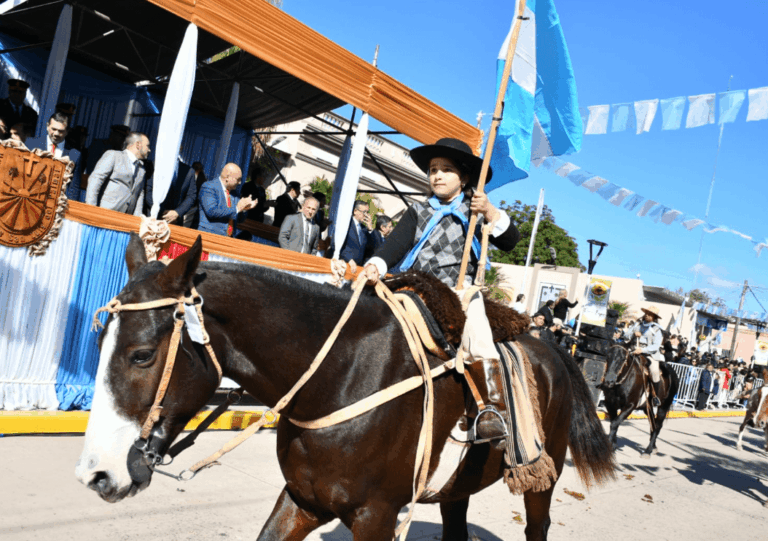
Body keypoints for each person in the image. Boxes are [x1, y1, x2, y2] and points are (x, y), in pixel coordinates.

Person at [363, 137, 520, 443]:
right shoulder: (418, 210)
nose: (437, 175)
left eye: (446, 170)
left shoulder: (475, 210)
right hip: (411, 284)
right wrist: (375, 266)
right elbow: (394, 246)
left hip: (456, 290)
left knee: (477, 327)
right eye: (433, 169)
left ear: (462, 178)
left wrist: (489, 212)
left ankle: (492, 409)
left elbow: (511, 241)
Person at [85, 132, 150, 216]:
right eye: (147, 146)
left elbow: (139, 194)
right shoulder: (114, 156)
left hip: (125, 220)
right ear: (138, 145)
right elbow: (95, 179)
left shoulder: (141, 169)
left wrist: (137, 219)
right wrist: (91, 208)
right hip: (105, 214)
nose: (149, 150)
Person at [26, 112, 82, 201]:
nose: (56, 133)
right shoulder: (31, 145)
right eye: (53, 129)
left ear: (67, 131)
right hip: (29, 197)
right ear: (47, 126)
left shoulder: (74, 155)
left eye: (61, 131)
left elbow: (74, 188)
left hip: (56, 203)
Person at [198, 163, 256, 236]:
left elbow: (239, 219)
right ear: (227, 177)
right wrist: (237, 208)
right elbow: (211, 211)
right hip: (209, 235)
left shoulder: (234, 193)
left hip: (228, 238)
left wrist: (245, 208)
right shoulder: (208, 187)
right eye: (238, 179)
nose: (240, 182)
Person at [624, 305, 665, 407]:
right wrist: (633, 332)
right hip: (634, 350)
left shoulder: (657, 329)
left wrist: (642, 350)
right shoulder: (637, 324)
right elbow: (625, 336)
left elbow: (655, 346)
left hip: (650, 354)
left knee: (654, 371)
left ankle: (655, 396)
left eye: (650, 314)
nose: (647, 315)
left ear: (654, 317)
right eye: (646, 313)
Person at [145, 157, 196, 225]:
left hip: (175, 221)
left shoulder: (189, 171)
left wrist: (177, 212)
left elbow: (191, 196)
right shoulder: (155, 165)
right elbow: (148, 190)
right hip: (154, 219)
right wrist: (161, 211)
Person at [339, 199, 374, 265]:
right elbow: (337, 244)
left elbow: (370, 247)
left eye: (367, 212)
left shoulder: (364, 229)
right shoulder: (346, 224)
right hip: (344, 263)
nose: (366, 215)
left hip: (358, 266)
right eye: (364, 212)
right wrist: (348, 259)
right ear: (355, 211)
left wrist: (370, 229)